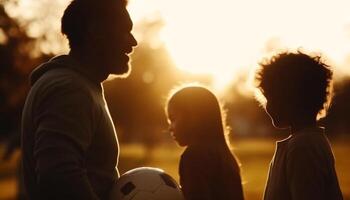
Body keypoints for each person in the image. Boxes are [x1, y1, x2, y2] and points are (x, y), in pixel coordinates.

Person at [21, 0, 137, 199]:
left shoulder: (79, 85)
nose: (133, 42)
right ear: (95, 32)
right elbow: (58, 177)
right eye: (124, 31)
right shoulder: (70, 89)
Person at [254, 51, 343, 200]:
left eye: (271, 97)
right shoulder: (307, 142)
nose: (268, 106)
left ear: (290, 98)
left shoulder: (302, 147)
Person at [166, 86, 244, 200]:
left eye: (172, 119)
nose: (170, 128)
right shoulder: (226, 157)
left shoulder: (193, 156)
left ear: (193, 116)